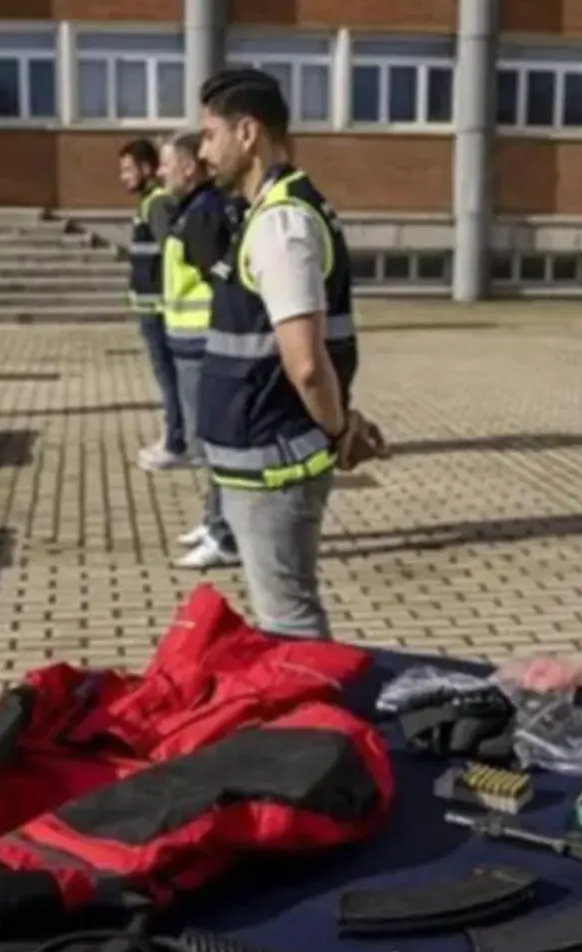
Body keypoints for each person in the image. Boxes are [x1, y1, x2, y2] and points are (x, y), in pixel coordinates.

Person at [197, 69, 381, 639]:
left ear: (246, 133)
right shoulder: (268, 210)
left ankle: (323, 725)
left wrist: (338, 428)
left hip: (273, 463)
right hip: (258, 458)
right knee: (282, 616)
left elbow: (305, 362)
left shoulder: (282, 224)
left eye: (209, 135)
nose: (203, 151)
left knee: (289, 622)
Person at [158, 131, 240, 570]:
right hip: (190, 342)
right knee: (203, 443)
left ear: (189, 167)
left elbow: (221, 280)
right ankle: (214, 521)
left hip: (203, 342)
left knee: (211, 446)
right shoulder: (193, 210)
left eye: (167, 163)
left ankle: (225, 535)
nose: (159, 171)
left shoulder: (204, 214)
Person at [118, 139, 187, 472]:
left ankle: (176, 442)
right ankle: (173, 435)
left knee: (168, 377)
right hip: (150, 308)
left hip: (159, 310)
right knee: (166, 376)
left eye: (129, 169)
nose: (124, 176)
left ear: (147, 169)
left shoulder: (157, 204)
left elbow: (173, 253)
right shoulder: (149, 202)